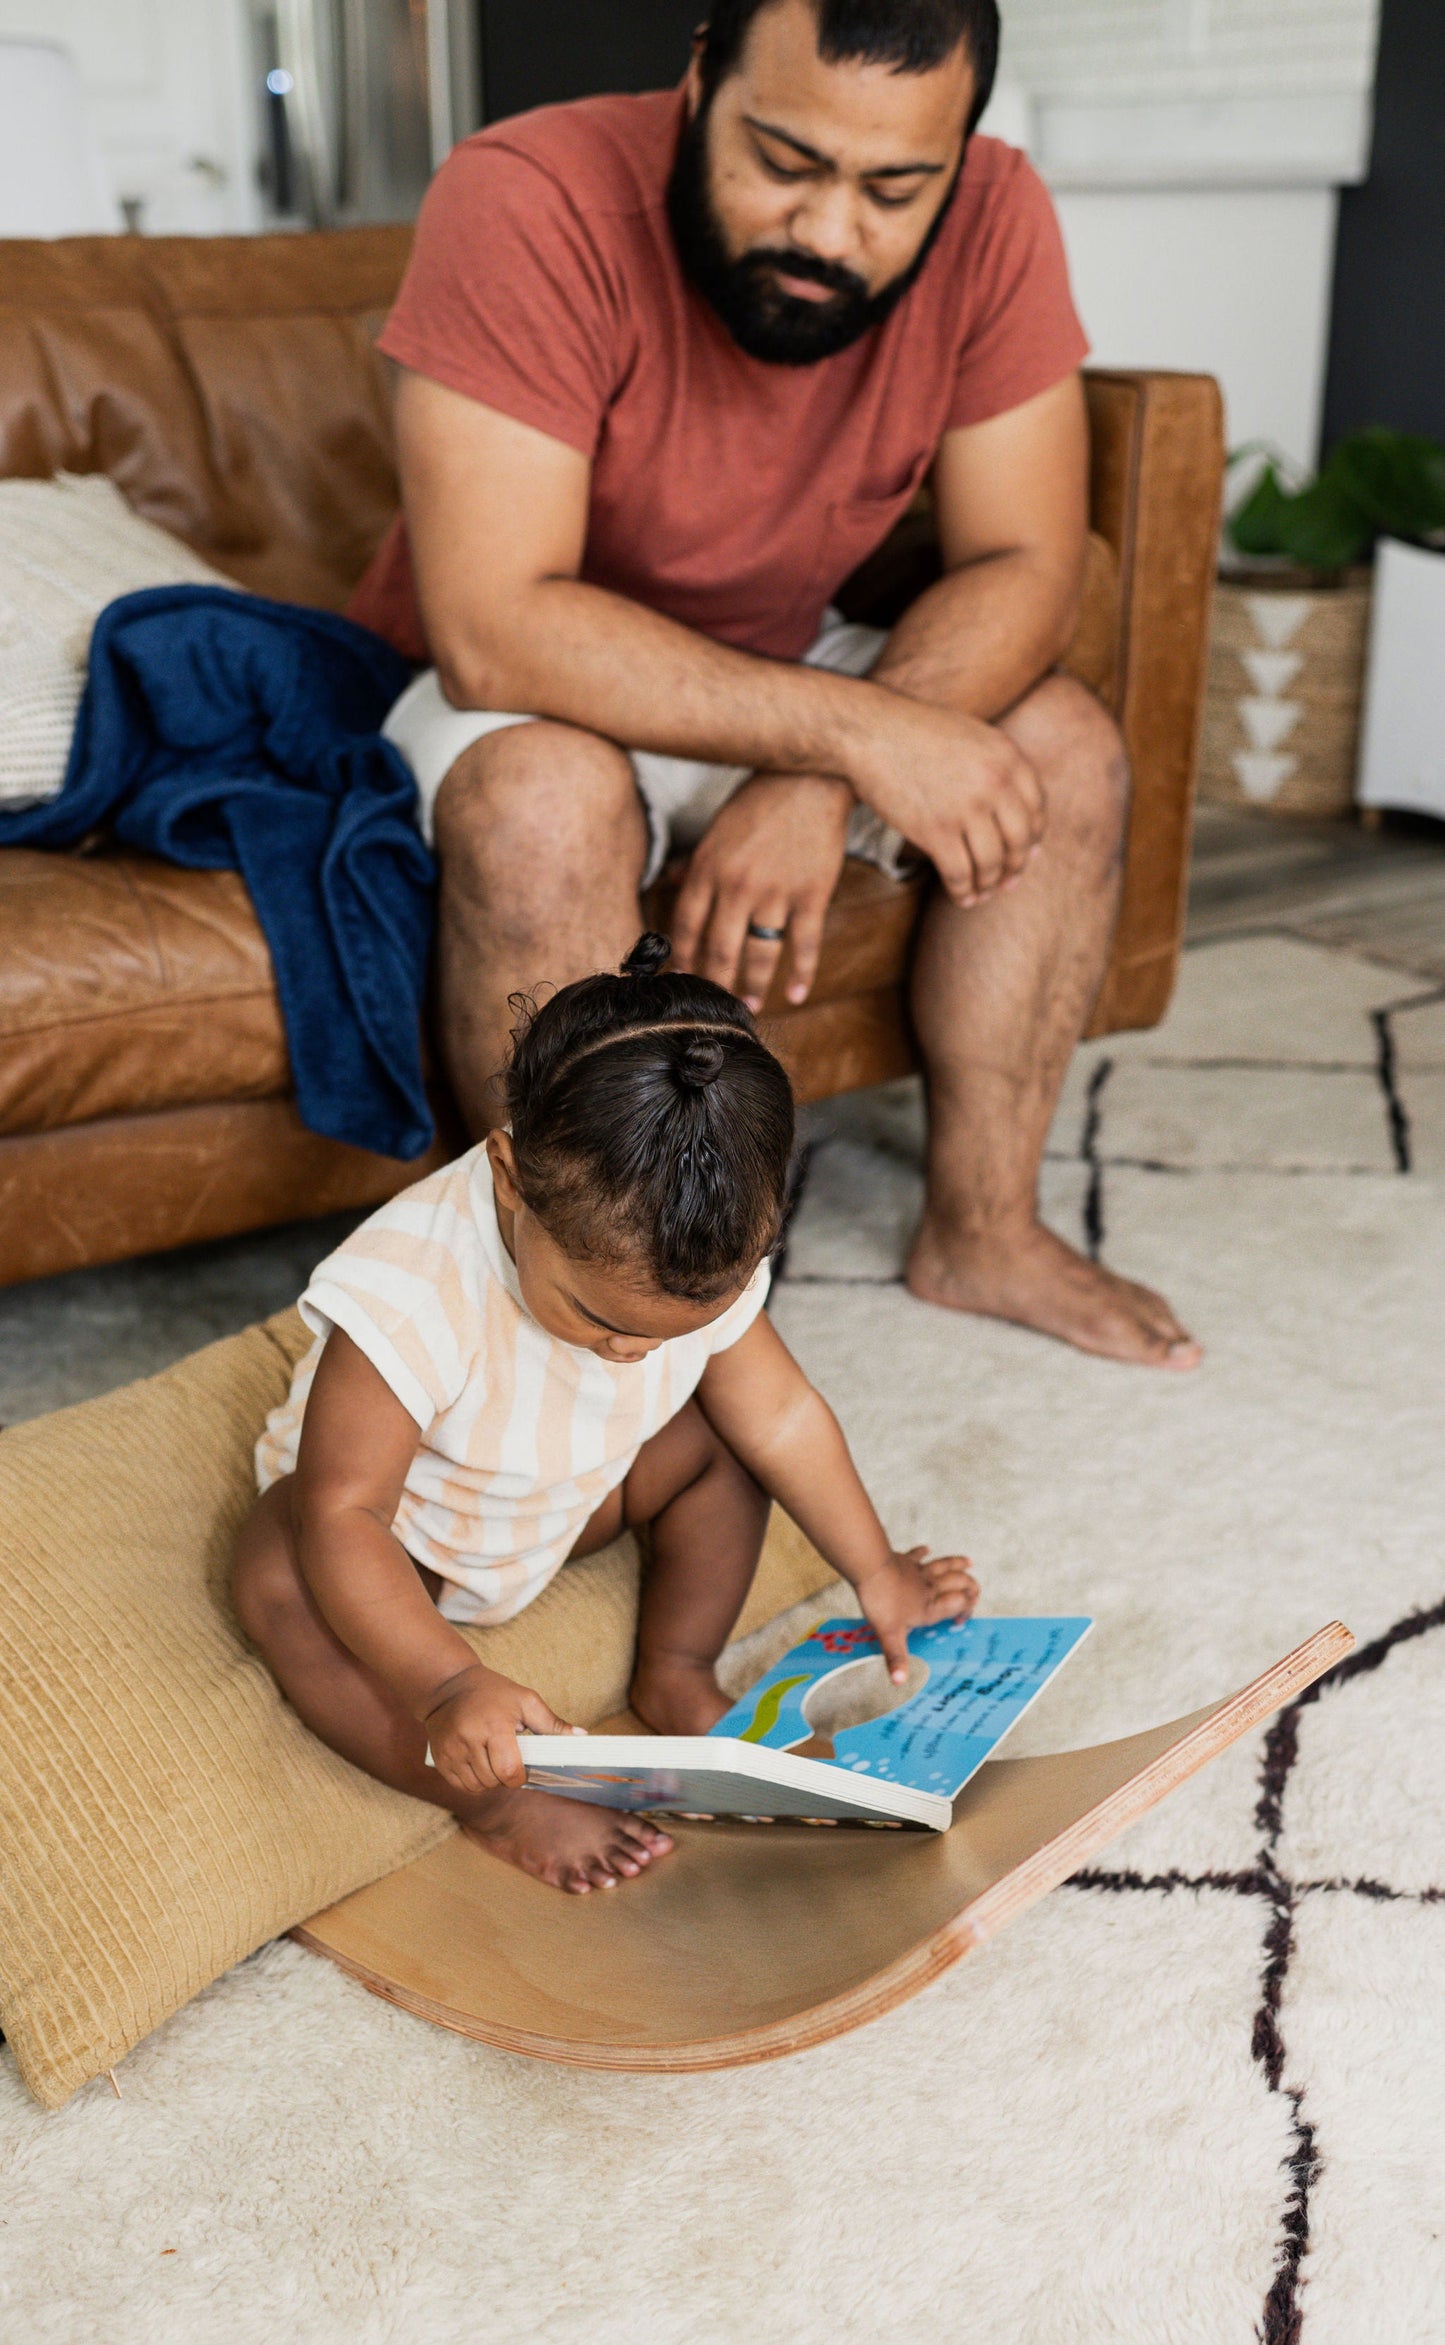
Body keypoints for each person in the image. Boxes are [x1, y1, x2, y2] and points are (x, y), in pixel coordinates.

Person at [349, 0, 1201, 1373]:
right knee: (543, 802)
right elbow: (495, 628)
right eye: (784, 161)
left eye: (892, 188)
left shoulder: (997, 217)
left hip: (776, 668)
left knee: (1061, 745)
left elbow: (1030, 559)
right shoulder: (524, 193)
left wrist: (810, 774)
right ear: (699, 79)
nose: (828, 231)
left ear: (959, 155)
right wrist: (853, 734)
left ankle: (982, 1229)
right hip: (526, 684)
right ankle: (562, 1324)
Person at [233, 936, 978, 1896]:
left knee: (727, 1437)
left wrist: (875, 1570)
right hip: (406, 1543)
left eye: (679, 1327)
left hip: (567, 1496)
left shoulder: (701, 1235)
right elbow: (345, 1512)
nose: (632, 1351)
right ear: (508, 1176)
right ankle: (498, 1804)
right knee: (277, 1562)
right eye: (597, 1317)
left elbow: (784, 1414)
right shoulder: (410, 1285)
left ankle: (675, 1668)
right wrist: (450, 1685)